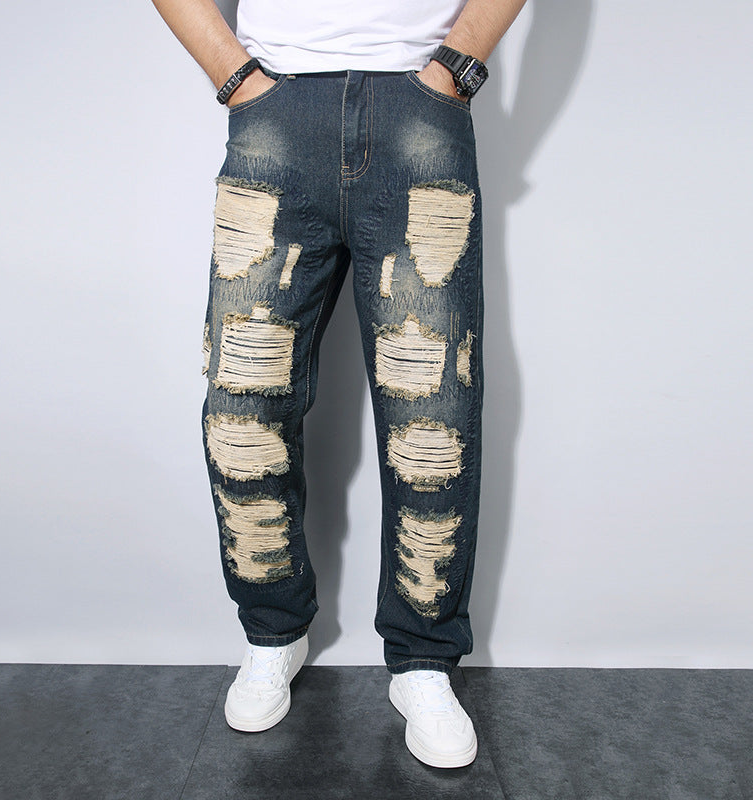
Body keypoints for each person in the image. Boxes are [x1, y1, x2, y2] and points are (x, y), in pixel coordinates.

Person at [152, 0, 527, 769]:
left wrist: (454, 70)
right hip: (274, 112)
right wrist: (236, 77)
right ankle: (273, 632)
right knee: (242, 405)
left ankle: (423, 660)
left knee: (433, 416)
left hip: (420, 108)